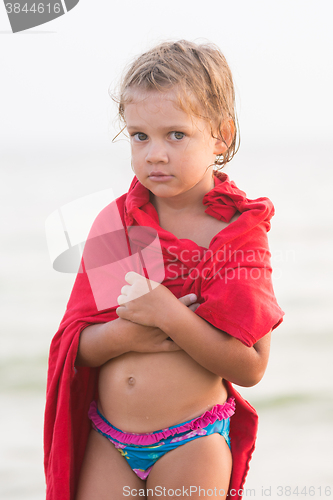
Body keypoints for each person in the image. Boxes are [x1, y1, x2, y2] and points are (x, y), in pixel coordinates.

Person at [44, 40, 284, 500]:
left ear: (221, 135)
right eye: (140, 136)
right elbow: (78, 347)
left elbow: (251, 366)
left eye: (176, 135)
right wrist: (128, 336)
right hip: (107, 438)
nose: (155, 154)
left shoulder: (236, 233)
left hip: (192, 441)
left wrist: (168, 315)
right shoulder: (118, 221)